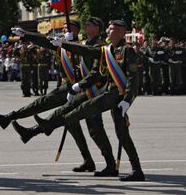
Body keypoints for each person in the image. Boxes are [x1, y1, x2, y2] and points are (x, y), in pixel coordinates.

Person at [34, 20, 145, 182]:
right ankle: (132, 170)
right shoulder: (108, 50)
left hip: (118, 95)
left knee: (87, 108)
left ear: (122, 32)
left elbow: (133, 79)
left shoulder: (127, 51)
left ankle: (50, 124)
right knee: (122, 133)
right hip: (112, 93)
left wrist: (127, 100)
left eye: (113, 29)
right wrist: (65, 44)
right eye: (109, 28)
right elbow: (85, 50)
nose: (108, 30)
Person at [0, 20, 100, 173]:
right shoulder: (60, 43)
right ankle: (12, 118)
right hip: (67, 86)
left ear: (75, 30)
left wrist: (72, 42)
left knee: (94, 130)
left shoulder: (82, 43)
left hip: (82, 89)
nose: (63, 30)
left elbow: (85, 54)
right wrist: (26, 35)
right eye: (63, 28)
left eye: (67, 28)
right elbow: (44, 41)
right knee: (53, 111)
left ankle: (21, 125)